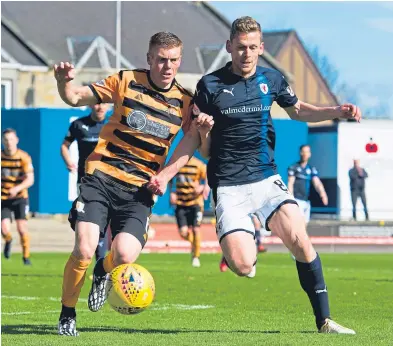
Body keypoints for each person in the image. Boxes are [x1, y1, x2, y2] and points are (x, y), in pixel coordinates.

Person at [147, 16, 360, 334]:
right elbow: (194, 141)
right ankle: (243, 240)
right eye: (240, 47)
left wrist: (336, 112)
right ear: (229, 46)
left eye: (252, 48)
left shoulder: (272, 80)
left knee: (300, 241)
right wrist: (164, 175)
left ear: (261, 48)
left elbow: (298, 110)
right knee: (243, 266)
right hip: (229, 187)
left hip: (265, 178)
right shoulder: (210, 85)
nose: (246, 53)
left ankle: (325, 321)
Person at [54, 31, 194, 336]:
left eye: (172, 60)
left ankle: (102, 271)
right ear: (149, 59)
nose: (166, 66)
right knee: (84, 247)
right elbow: (75, 97)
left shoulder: (185, 102)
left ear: (179, 61)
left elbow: (192, 141)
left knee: (125, 255)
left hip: (139, 191)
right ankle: (67, 314)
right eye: (160, 59)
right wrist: (64, 82)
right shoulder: (126, 80)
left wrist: (165, 176)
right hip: (101, 177)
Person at [61, 104, 110, 261]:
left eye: (104, 103)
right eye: (97, 103)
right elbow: (64, 145)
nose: (100, 107)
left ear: (109, 105)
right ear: (90, 104)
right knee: (89, 218)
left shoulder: (114, 123)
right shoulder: (78, 124)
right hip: (85, 180)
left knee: (104, 219)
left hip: (109, 180)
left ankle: (101, 259)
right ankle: (95, 257)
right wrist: (68, 161)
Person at [1, 128, 34, 265]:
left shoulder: (23, 157)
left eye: (11, 139)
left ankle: (26, 257)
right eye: (6, 140)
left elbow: (30, 179)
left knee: (21, 229)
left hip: (20, 197)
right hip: (4, 198)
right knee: (4, 229)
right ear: (2, 141)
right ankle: (8, 240)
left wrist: (17, 188)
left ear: (17, 140)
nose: (9, 143)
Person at [169, 156, 210, 267]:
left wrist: (202, 187)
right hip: (181, 203)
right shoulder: (178, 164)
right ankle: (195, 244)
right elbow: (170, 177)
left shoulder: (198, 164)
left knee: (196, 229)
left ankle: (195, 257)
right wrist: (172, 192)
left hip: (195, 203)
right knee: (183, 233)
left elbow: (209, 175)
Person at [287, 144, 328, 224]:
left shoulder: (311, 169)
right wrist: (291, 199)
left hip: (306, 200)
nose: (305, 154)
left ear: (310, 154)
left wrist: (323, 194)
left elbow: (317, 183)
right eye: (304, 152)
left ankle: (299, 237)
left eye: (307, 152)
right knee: (299, 222)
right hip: (297, 199)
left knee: (304, 223)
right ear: (300, 153)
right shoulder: (293, 167)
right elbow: (290, 183)